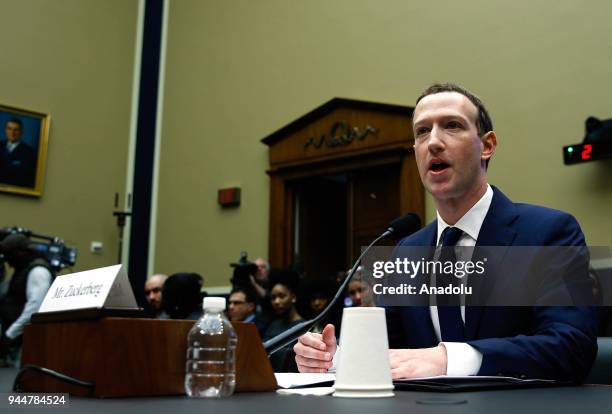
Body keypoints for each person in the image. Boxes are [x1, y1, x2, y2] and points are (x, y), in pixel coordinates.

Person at [293, 83, 597, 382]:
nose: (433, 142)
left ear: (487, 145)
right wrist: (335, 358)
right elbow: (389, 351)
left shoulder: (548, 232)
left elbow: (572, 347)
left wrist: (449, 358)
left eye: (451, 126)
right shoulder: (407, 250)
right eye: (422, 131)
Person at [0, 234, 53, 365]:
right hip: (18, 341)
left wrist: (9, 335)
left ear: (21, 252)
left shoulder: (38, 271)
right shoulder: (22, 270)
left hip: (25, 344)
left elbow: (34, 309)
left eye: (9, 254)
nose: (7, 261)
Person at [0, 118, 37, 188]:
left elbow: (27, 179)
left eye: (16, 130)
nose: (12, 133)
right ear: (5, 130)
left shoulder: (29, 152)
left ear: (21, 132)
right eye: (9, 129)